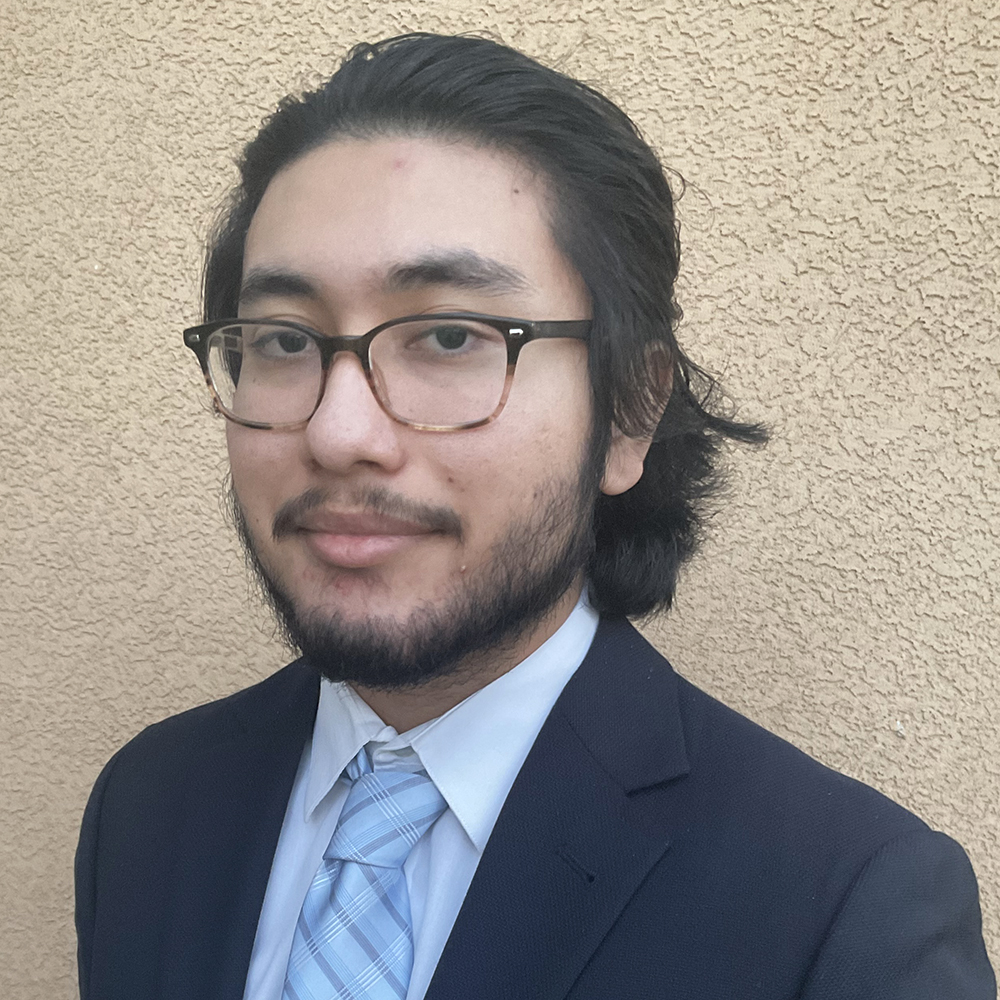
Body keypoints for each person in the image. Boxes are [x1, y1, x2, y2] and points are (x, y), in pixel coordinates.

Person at [75, 32, 995, 1000]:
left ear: (629, 414)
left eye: (449, 334)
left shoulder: (845, 904)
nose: (339, 431)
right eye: (280, 339)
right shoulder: (150, 801)